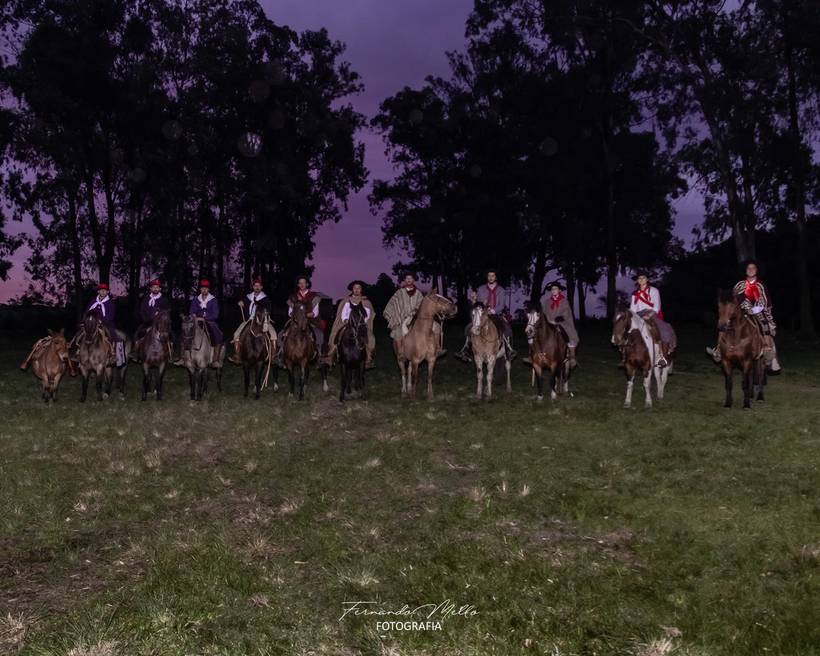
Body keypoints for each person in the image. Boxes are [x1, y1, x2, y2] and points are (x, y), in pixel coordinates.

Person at [707, 260, 781, 372]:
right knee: (724, 324)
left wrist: (754, 309)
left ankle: (767, 349)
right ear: (745, 271)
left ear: (756, 271)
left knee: (764, 324)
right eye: (748, 268)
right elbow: (732, 299)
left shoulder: (760, 285)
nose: (751, 270)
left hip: (758, 311)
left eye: (753, 268)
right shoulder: (739, 285)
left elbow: (764, 301)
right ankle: (718, 349)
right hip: (739, 312)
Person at [456, 269, 516, 362]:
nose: (491, 277)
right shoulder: (481, 289)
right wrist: (474, 301)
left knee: (507, 328)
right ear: (487, 277)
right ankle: (466, 349)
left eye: (493, 276)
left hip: (496, 314)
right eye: (489, 276)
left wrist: (492, 310)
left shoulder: (501, 290)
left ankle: (509, 349)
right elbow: (478, 304)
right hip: (482, 315)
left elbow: (501, 305)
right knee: (468, 327)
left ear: (495, 277)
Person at [383, 272, 446, 357]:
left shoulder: (418, 293)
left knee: (437, 326)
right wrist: (392, 318)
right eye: (407, 278)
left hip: (417, 317)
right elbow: (391, 305)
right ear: (404, 280)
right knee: (397, 332)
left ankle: (437, 349)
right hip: (403, 318)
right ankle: (401, 353)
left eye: (411, 278)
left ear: (413, 280)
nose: (409, 280)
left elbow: (424, 306)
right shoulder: (399, 293)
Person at [629, 271, 676, 367]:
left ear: (647, 279)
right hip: (638, 315)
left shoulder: (654, 291)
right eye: (639, 278)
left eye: (643, 278)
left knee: (664, 330)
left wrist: (649, 315)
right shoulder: (634, 293)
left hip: (651, 314)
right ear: (637, 281)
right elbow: (632, 309)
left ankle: (663, 357)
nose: (641, 280)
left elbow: (657, 307)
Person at [327, 280, 376, 368]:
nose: (357, 290)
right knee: (335, 334)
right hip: (347, 324)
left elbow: (368, 315)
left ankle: (368, 358)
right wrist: (346, 320)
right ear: (352, 290)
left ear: (361, 290)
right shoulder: (346, 301)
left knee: (371, 337)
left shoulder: (366, 302)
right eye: (355, 288)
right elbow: (343, 313)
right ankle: (331, 355)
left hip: (361, 325)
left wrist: (361, 322)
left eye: (359, 288)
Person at [228, 277, 275, 364]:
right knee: (236, 334)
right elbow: (243, 302)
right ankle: (238, 355)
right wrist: (241, 302)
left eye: (258, 286)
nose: (257, 287)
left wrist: (264, 313)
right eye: (255, 286)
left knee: (273, 334)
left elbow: (268, 310)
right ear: (253, 287)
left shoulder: (265, 299)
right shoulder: (248, 297)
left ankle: (273, 356)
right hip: (249, 320)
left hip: (262, 321)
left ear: (261, 287)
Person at [80, 282, 126, 366]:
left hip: (106, 323)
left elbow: (111, 315)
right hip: (92, 323)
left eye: (105, 291)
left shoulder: (110, 303)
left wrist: (102, 320)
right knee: (80, 334)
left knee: (113, 335)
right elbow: (86, 312)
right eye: (101, 290)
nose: (103, 292)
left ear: (107, 292)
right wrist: (84, 321)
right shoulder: (93, 301)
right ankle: (78, 352)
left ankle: (113, 355)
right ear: (98, 292)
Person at [279, 275, 324, 359]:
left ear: (307, 284)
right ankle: (281, 353)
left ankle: (319, 354)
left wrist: (304, 315)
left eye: (304, 282)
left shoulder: (314, 296)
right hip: (295, 321)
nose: (302, 284)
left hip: (310, 321)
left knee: (319, 334)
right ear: (298, 285)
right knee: (281, 334)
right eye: (300, 283)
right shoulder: (293, 297)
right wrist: (295, 316)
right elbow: (290, 312)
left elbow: (315, 313)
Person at [542, 281, 579, 368]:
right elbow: (544, 312)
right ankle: (534, 354)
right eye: (552, 289)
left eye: (555, 289)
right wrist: (547, 320)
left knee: (570, 333)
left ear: (559, 290)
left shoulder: (564, 301)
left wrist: (559, 318)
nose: (553, 290)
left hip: (562, 323)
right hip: (549, 323)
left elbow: (566, 312)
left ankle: (572, 357)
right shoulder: (547, 302)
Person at [189, 278, 223, 353]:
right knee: (186, 329)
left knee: (216, 332)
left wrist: (206, 318)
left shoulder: (213, 300)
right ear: (200, 289)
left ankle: (216, 358)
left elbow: (215, 314)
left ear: (208, 290)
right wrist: (193, 315)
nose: (204, 290)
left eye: (206, 288)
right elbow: (192, 310)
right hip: (196, 320)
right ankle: (183, 355)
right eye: (202, 288)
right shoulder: (196, 299)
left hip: (209, 321)